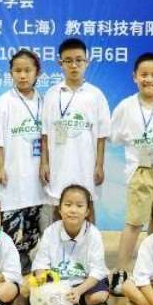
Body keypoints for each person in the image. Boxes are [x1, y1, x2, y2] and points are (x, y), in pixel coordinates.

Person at [108, 52, 153, 295]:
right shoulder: (126, 106)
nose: (149, 79)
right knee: (134, 222)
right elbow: (114, 136)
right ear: (135, 77)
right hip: (140, 171)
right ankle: (120, 271)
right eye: (144, 75)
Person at [0, 50, 48, 273]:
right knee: (10, 215)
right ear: (11, 73)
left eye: (27, 70)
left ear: (37, 72)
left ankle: (26, 256)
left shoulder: (44, 101)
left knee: (33, 217)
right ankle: (9, 258)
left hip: (37, 172)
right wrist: (0, 167)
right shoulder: (4, 102)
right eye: (17, 71)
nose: (22, 75)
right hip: (13, 171)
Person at [40, 38, 110, 226]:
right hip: (58, 162)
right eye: (68, 60)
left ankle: (90, 243)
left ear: (87, 62)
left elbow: (102, 136)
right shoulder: (52, 94)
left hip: (86, 162)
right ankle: (57, 244)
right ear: (60, 63)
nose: (74, 65)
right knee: (58, 203)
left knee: (88, 203)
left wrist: (99, 165)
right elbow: (45, 133)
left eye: (79, 60)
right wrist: (44, 163)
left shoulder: (96, 95)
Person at [30, 185, 111, 305]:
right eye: (68, 205)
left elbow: (98, 270)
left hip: (83, 282)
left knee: (99, 296)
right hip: (57, 282)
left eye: (79, 206)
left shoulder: (94, 234)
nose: (73, 210)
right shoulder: (50, 232)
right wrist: (46, 287)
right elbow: (41, 263)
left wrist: (79, 291)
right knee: (36, 290)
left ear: (87, 211)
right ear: (60, 209)